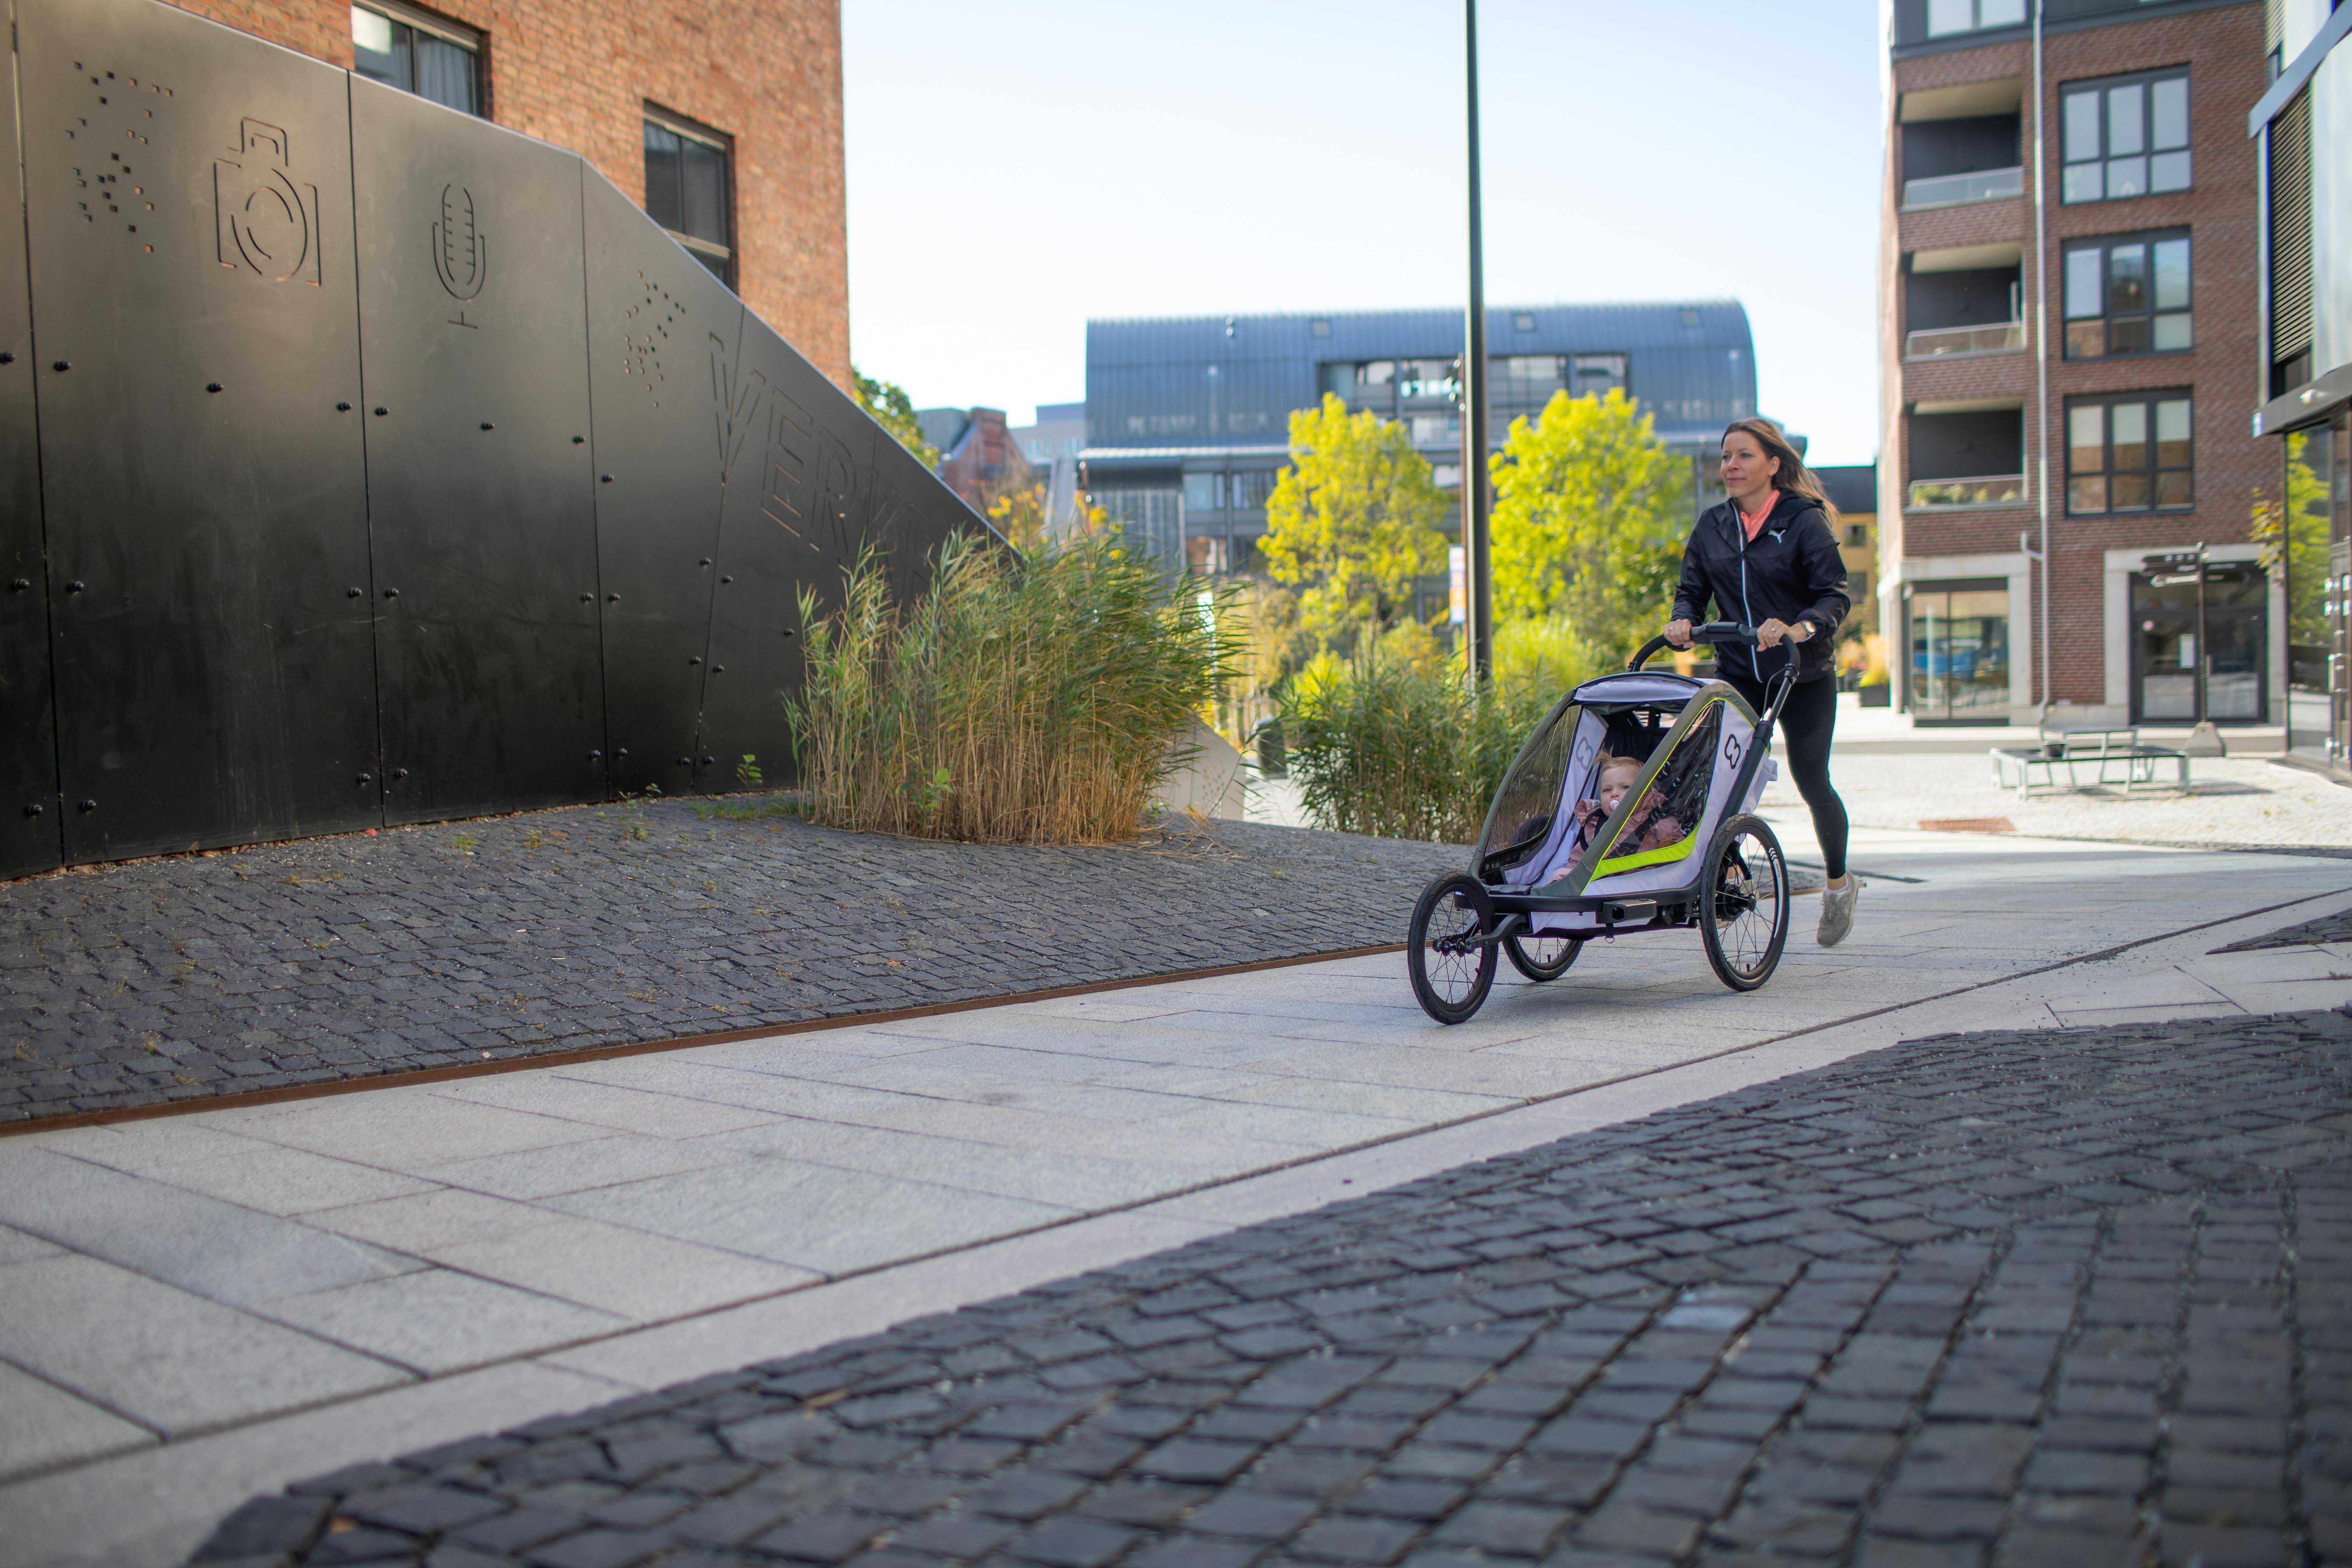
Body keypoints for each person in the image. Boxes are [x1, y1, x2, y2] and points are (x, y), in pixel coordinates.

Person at [1665, 418, 1860, 946]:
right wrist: (1683, 619)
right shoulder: (1712, 527)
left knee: (1811, 779)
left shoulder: (1803, 521)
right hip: (1740, 673)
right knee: (1719, 776)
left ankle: (1839, 886)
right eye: (1726, 457)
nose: (1730, 466)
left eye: (1744, 456)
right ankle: (1729, 880)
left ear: (1773, 464)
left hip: (1804, 673)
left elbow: (1835, 595)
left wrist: (1799, 627)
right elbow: (1692, 589)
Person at [1548, 752, 1684, 882]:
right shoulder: (1596, 825)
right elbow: (1579, 858)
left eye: (1625, 787)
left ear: (1646, 791)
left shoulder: (1658, 821)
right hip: (1600, 881)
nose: (1614, 794)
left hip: (1641, 880)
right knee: (1560, 875)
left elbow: (1675, 850)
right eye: (1607, 790)